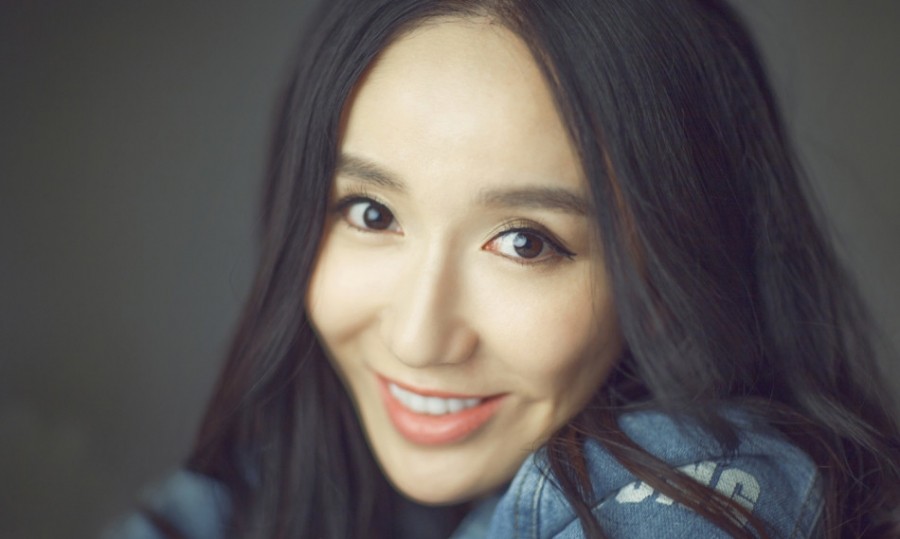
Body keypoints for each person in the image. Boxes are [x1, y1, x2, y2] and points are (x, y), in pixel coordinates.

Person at [104, 0, 900, 537]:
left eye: (525, 242)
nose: (419, 338)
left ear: (670, 272)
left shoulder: (698, 488)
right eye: (371, 213)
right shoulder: (269, 478)